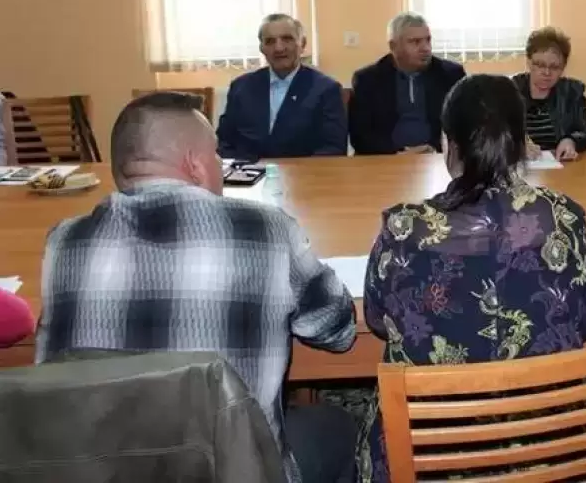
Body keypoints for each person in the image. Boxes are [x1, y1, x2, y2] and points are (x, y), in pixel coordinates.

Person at [37, 92, 359, 483]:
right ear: (195, 164)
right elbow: (339, 330)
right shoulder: (265, 229)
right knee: (339, 427)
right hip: (231, 471)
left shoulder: (64, 242)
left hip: (98, 471)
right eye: (217, 155)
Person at [360, 74, 586, 482]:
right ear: (522, 142)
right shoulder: (566, 220)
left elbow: (375, 320)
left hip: (428, 457)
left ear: (448, 144)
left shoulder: (404, 229)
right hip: (549, 457)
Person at [217, 14, 347, 159]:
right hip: (247, 170)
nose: (279, 48)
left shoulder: (325, 89)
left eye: (287, 39)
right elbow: (224, 142)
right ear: (262, 48)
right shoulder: (241, 87)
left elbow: (333, 148)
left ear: (302, 44)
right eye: (270, 41)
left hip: (302, 171)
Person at [349, 12, 466, 155]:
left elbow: (462, 126)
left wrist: (435, 149)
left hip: (437, 157)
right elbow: (360, 135)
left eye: (428, 40)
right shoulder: (368, 79)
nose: (425, 48)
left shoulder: (450, 75)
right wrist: (398, 153)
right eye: (415, 42)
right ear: (393, 46)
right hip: (386, 159)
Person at [511, 26, 586, 161]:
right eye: (540, 65)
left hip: (560, 164)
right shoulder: (510, 90)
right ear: (528, 62)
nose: (547, 73)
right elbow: (493, 133)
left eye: (554, 67)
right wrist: (516, 145)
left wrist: (571, 140)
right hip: (519, 165)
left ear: (563, 67)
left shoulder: (572, 92)